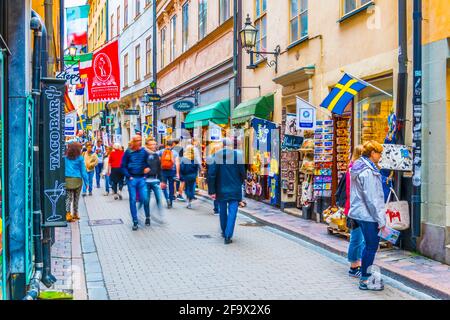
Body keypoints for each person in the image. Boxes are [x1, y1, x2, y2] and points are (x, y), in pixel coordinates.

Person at [348, 140, 386, 291]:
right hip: (368, 215)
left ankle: (365, 275)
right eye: (379, 153)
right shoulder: (368, 172)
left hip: (358, 212)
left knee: (367, 245)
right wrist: (381, 220)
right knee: (371, 246)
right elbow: (372, 199)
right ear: (372, 153)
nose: (380, 156)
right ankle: (364, 280)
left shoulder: (358, 166)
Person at [208, 138, 246, 245]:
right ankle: (228, 235)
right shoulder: (238, 155)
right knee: (233, 212)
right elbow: (242, 172)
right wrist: (240, 182)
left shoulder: (216, 155)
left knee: (222, 211)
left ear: (222, 145)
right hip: (234, 189)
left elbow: (211, 174)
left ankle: (224, 231)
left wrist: (212, 191)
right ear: (231, 146)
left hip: (221, 189)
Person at [121, 135, 151, 230]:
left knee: (145, 198)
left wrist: (147, 169)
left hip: (142, 178)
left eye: (140, 140)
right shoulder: (128, 152)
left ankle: (147, 216)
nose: (139, 142)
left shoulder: (144, 152)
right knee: (133, 200)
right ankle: (135, 221)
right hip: (132, 179)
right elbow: (123, 165)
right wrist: (128, 176)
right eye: (137, 140)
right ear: (133, 141)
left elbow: (148, 163)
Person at [344, 145, 365, 278]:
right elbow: (352, 192)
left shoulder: (355, 169)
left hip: (359, 209)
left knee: (360, 238)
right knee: (356, 238)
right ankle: (353, 266)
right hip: (355, 209)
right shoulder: (353, 170)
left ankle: (359, 263)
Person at [65, 142, 89, 222]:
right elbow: (83, 171)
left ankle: (67, 214)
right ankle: (75, 213)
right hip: (77, 180)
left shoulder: (65, 157)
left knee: (68, 197)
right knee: (76, 198)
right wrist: (87, 182)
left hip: (67, 179)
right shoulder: (80, 158)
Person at [144, 138, 164, 217]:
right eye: (152, 144)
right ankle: (147, 217)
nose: (154, 146)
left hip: (155, 180)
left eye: (155, 144)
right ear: (147, 145)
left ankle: (160, 215)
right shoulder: (143, 154)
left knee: (159, 199)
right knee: (146, 201)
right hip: (145, 181)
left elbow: (159, 168)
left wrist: (162, 180)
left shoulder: (156, 155)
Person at [158, 139, 180, 208]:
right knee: (171, 186)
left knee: (163, 186)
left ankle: (167, 198)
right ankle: (170, 200)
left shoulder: (161, 151)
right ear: (172, 145)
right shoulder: (175, 153)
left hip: (163, 171)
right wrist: (177, 173)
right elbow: (177, 163)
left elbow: (158, 161)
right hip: (172, 171)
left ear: (166, 144)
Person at [180, 145, 200, 209]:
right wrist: (196, 175)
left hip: (186, 176)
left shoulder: (184, 159)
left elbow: (182, 168)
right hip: (193, 176)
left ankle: (188, 200)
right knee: (191, 188)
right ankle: (190, 199)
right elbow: (197, 169)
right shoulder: (195, 159)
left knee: (187, 188)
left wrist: (181, 176)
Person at [206, 141, 223, 214]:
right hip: (219, 179)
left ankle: (217, 208)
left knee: (216, 193)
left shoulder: (211, 157)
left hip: (215, 179)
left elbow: (209, 171)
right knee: (218, 193)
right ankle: (217, 208)